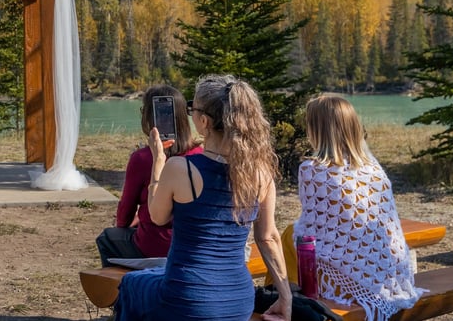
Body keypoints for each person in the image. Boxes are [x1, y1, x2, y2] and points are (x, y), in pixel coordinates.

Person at [114, 75, 291, 321]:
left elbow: (156, 216)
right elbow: (268, 238)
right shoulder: (260, 173)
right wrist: (285, 297)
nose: (190, 114)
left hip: (187, 296)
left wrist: (158, 162)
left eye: (192, 109)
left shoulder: (180, 168)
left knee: (132, 285)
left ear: (204, 121)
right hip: (239, 299)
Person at [293, 95, 424, 321]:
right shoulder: (371, 167)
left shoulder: (312, 170)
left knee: (291, 238)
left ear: (317, 129)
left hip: (341, 283)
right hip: (384, 275)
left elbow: (311, 230)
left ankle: (283, 301)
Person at [97, 85, 203, 262]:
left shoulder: (142, 158)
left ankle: (119, 287)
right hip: (192, 246)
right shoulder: (200, 155)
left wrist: (124, 225)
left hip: (154, 246)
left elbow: (126, 209)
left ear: (147, 117)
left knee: (108, 238)